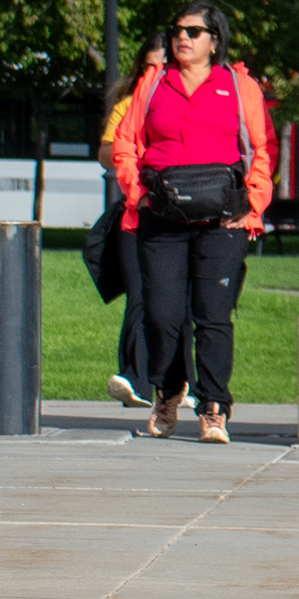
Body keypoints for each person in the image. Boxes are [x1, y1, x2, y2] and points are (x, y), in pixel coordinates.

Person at [100, 0, 275, 442]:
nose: (182, 37)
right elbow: (126, 143)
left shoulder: (238, 86)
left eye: (193, 31)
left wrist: (252, 207)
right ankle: (170, 389)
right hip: (162, 219)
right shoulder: (154, 83)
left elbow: (262, 148)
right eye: (177, 30)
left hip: (222, 220)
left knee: (212, 316)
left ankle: (214, 406)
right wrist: (135, 193)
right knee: (161, 315)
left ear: (214, 40)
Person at [101, 34, 167, 411]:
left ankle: (172, 382)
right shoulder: (128, 104)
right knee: (139, 297)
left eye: (162, 66)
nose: (154, 73)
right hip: (136, 215)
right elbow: (106, 153)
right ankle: (136, 378)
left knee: (178, 304)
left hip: (178, 216)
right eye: (148, 66)